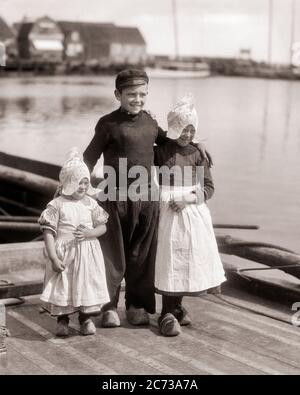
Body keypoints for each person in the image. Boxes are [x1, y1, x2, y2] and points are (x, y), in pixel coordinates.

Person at [83, 69, 211, 328]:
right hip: (114, 199)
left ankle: (136, 305)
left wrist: (199, 144)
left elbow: (176, 140)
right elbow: (88, 158)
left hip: (146, 201)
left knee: (141, 258)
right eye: (131, 94)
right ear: (118, 94)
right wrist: (82, 189)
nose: (138, 99)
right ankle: (108, 308)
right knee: (112, 258)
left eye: (143, 94)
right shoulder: (107, 124)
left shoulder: (151, 124)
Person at [154, 95, 226, 336]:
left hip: (190, 210)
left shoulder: (197, 154)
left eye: (191, 130)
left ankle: (176, 306)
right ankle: (166, 311)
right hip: (166, 211)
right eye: (182, 129)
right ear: (174, 129)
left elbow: (209, 187)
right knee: (168, 256)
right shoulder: (161, 151)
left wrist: (189, 198)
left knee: (185, 256)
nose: (186, 135)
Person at [38, 149, 110, 336]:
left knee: (85, 284)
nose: (83, 187)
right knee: (65, 286)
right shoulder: (57, 205)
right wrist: (53, 256)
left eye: (86, 182)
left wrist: (89, 233)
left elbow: (103, 227)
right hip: (65, 253)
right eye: (79, 182)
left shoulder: (90, 203)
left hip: (87, 252)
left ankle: (85, 319)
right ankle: (63, 320)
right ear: (69, 182)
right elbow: (48, 232)